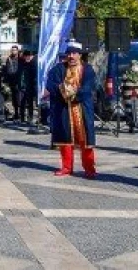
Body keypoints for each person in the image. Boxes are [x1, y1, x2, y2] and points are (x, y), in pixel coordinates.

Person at [47, 40, 97, 178]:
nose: (71, 56)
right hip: (64, 109)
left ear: (80, 55)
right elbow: (51, 84)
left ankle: (89, 168)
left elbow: (88, 88)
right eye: (69, 53)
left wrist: (74, 94)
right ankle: (66, 167)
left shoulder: (88, 70)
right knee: (65, 139)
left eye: (74, 53)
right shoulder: (58, 69)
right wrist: (63, 91)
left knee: (85, 140)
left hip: (82, 109)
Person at [1, 46, 22, 121]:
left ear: (17, 51)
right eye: (12, 50)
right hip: (12, 81)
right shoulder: (9, 59)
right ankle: (16, 113)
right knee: (14, 98)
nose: (13, 51)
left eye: (15, 50)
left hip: (19, 81)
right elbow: (7, 69)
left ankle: (21, 114)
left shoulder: (20, 59)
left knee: (19, 97)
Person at [19, 49, 38, 124]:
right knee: (24, 102)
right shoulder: (25, 63)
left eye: (26, 57)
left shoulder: (34, 63)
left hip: (32, 85)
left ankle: (31, 117)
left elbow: (35, 75)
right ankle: (25, 118)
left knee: (31, 102)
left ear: (30, 56)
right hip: (26, 85)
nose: (25, 59)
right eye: (24, 57)